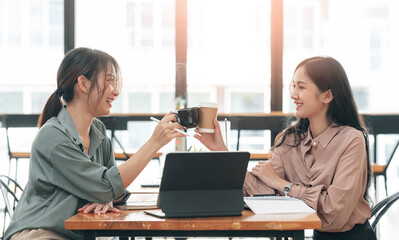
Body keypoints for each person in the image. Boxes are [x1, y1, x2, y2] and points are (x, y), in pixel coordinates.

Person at [4, 47, 184, 240]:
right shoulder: (52, 137)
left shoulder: (97, 131)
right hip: (41, 232)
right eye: (108, 81)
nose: (115, 92)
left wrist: (107, 199)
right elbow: (109, 185)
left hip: (77, 233)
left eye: (115, 83)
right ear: (83, 83)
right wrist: (154, 142)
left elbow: (113, 190)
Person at [195, 56, 377, 240]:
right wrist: (220, 150)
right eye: (293, 86)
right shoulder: (289, 140)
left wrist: (283, 185)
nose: (293, 94)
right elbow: (258, 191)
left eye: (302, 87)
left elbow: (334, 215)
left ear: (327, 96)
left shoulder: (352, 140)